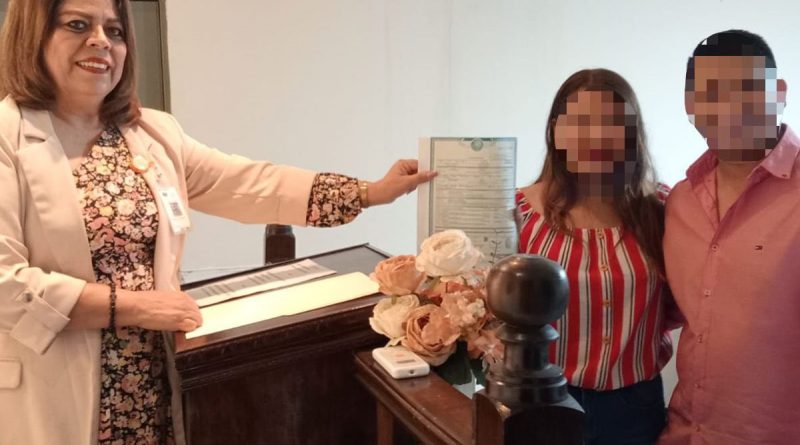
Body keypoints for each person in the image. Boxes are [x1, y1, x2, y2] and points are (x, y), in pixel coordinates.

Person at [0, 0, 435, 443]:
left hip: (153, 377)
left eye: (114, 31)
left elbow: (248, 184)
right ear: (34, 35)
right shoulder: (7, 137)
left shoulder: (151, 132)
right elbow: (5, 285)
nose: (100, 41)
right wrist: (135, 306)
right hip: (54, 390)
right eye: (77, 25)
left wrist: (368, 192)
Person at [516, 68, 674, 445]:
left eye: (612, 124)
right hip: (542, 403)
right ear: (555, 130)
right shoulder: (519, 213)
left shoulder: (662, 209)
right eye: (581, 123)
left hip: (636, 408)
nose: (596, 137)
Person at [659, 30, 798, 444]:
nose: (730, 108)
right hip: (686, 432)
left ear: (779, 92)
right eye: (712, 94)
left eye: (746, 89)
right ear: (691, 105)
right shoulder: (680, 201)